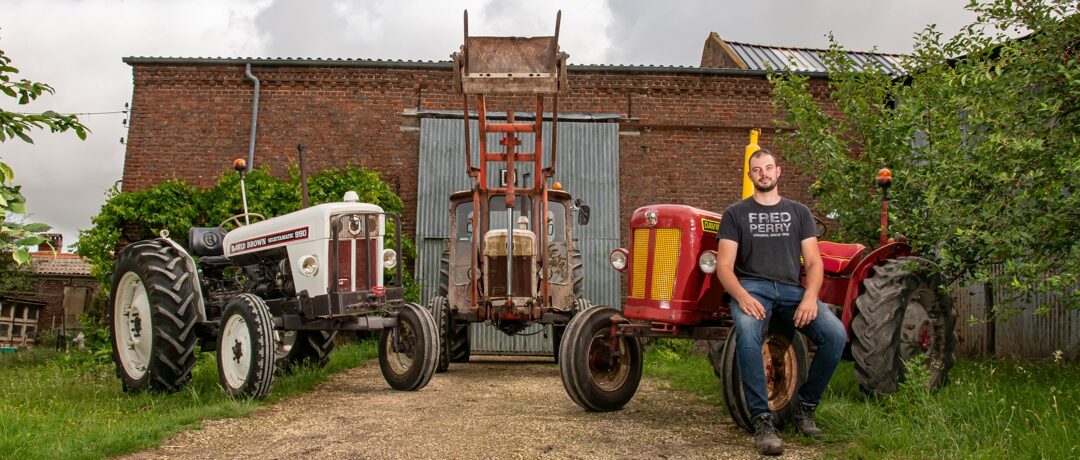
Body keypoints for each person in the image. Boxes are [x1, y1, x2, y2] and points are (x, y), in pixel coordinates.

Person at [715, 149, 845, 456]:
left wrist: (811, 297)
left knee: (836, 335)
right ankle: (763, 420)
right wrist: (743, 297)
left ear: (778, 171)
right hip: (752, 288)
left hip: (790, 290)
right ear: (750, 176)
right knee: (748, 334)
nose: (763, 173)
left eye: (768, 167)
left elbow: (814, 263)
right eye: (757, 169)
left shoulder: (799, 212)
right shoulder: (735, 214)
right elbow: (723, 266)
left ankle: (805, 407)